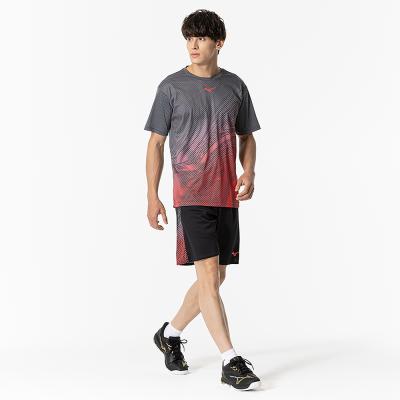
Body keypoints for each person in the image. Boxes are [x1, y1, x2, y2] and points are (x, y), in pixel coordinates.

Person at [144, 9, 262, 391]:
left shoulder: (235, 87)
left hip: (226, 195)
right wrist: (152, 195)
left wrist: (249, 171)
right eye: (189, 38)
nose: (193, 45)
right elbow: (156, 143)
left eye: (201, 38)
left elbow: (247, 136)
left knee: (217, 277)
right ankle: (230, 360)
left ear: (219, 43)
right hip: (191, 194)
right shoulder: (171, 88)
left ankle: (170, 334)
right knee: (209, 276)